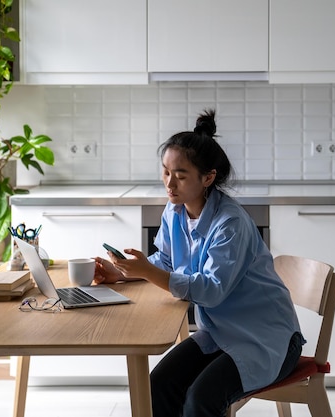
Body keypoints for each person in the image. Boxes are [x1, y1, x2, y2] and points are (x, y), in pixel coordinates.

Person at [93, 109, 304, 417]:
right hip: (220, 331)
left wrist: (148, 272)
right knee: (157, 386)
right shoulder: (175, 210)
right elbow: (164, 260)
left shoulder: (229, 223)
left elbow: (211, 290)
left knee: (201, 400)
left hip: (265, 338)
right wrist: (121, 273)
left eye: (180, 176)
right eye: (165, 172)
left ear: (208, 177)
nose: (169, 183)